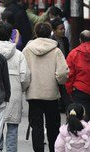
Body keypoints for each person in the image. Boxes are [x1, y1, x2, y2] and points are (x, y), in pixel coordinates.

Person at [24, 22, 70, 152]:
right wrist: (58, 81)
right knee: (53, 126)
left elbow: (24, 73)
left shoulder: (27, 50)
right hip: (51, 94)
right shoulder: (56, 50)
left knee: (36, 127)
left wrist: (26, 87)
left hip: (34, 94)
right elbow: (62, 73)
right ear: (50, 33)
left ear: (36, 33)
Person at [0, 21, 30, 152]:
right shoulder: (19, 54)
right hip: (14, 93)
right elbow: (25, 76)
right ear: (11, 34)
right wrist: (23, 89)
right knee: (12, 127)